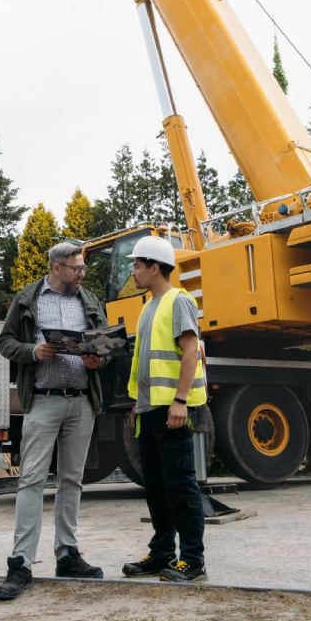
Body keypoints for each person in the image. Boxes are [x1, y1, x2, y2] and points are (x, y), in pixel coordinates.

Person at [0, 241, 107, 601]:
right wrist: (34, 351)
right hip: (42, 402)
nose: (82, 274)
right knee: (31, 480)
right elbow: (5, 342)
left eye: (83, 269)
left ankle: (68, 555)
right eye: (77, 268)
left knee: (73, 480)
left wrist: (98, 359)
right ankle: (21, 563)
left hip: (81, 402)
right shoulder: (27, 300)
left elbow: (104, 345)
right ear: (57, 267)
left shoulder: (87, 300)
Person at [121, 235, 208, 584]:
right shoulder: (148, 306)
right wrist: (136, 404)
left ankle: (193, 560)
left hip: (172, 411)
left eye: (138, 265)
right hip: (149, 411)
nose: (134, 271)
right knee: (156, 486)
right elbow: (144, 362)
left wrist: (180, 401)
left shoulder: (178, 302)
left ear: (154, 267)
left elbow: (190, 352)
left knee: (181, 486)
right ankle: (161, 554)